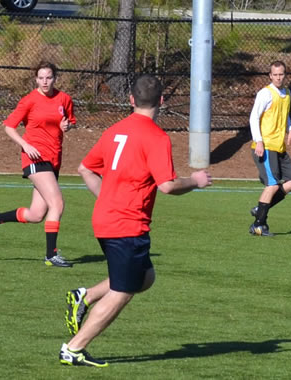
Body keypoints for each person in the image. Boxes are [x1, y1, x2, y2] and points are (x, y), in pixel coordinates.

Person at [61, 74, 212, 367]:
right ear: (162, 102)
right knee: (123, 291)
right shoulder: (156, 137)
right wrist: (195, 180)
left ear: (131, 100)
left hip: (107, 220)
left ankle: (85, 295)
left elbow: (85, 169)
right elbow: (167, 185)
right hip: (126, 226)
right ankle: (73, 348)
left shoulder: (114, 130)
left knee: (145, 277)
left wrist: (107, 199)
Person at [0, 61, 76, 267]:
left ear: (55, 78)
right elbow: (9, 126)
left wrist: (65, 126)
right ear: (36, 79)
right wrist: (26, 145)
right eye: (41, 77)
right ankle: (51, 255)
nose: (45, 81)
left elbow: (68, 122)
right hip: (35, 158)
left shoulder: (64, 99)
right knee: (57, 204)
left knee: (36, 214)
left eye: (49, 77)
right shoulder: (29, 101)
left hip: (54, 159)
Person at [248, 60, 291, 237]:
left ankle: (260, 208)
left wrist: (290, 131)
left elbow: (286, 116)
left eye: (281, 74)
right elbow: (253, 118)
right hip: (266, 146)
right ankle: (259, 225)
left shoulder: (287, 93)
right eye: (275, 74)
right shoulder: (265, 93)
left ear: (285, 75)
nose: (278, 77)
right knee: (272, 185)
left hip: (280, 146)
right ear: (270, 76)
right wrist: (259, 141)